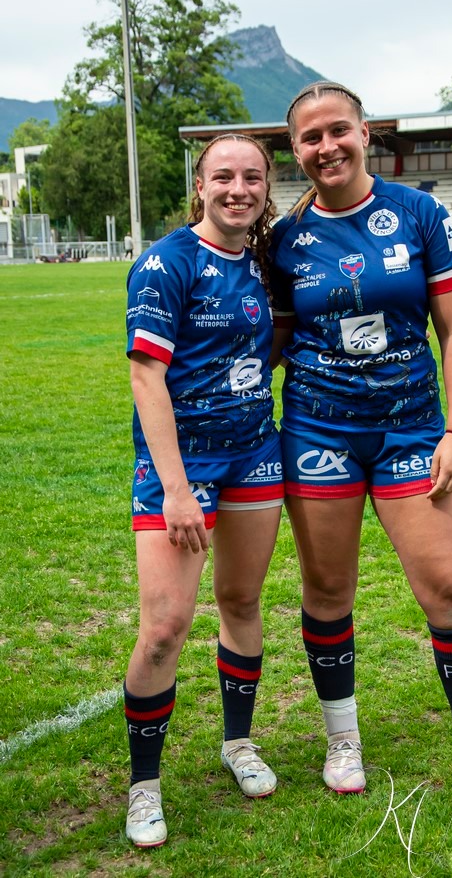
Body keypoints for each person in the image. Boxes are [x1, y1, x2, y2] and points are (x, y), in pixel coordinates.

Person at [270, 81, 452, 806]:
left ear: (365, 133)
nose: (325, 147)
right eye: (309, 138)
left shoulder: (418, 213)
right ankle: (342, 740)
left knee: (447, 587)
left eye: (337, 130)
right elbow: (272, 340)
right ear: (296, 151)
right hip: (317, 430)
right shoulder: (283, 239)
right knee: (328, 589)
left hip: (410, 429)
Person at [123, 134, 284, 848]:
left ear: (264, 187)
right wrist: (176, 489)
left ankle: (237, 743)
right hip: (180, 470)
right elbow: (145, 377)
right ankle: (143, 788)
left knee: (242, 601)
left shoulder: (263, 262)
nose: (237, 189)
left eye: (251, 177)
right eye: (223, 176)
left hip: (254, 456)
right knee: (163, 629)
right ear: (200, 185)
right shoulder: (164, 264)